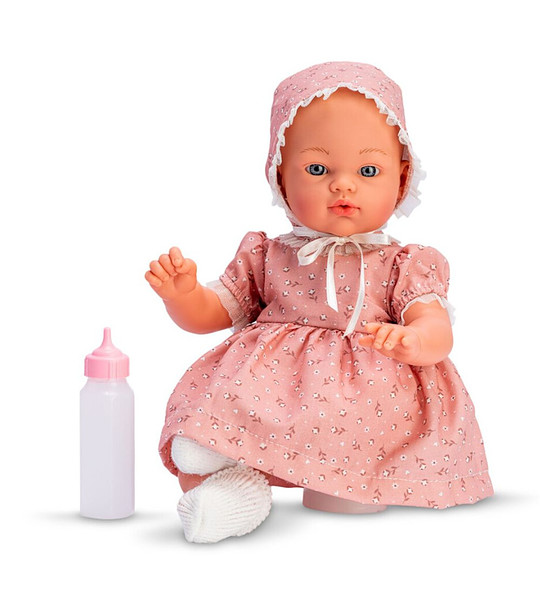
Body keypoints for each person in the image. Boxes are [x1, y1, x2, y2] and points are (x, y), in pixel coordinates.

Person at [145, 62, 493, 544]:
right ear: (280, 177)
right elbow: (212, 315)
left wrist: (414, 341)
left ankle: (343, 484)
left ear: (401, 178)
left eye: (368, 170)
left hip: (367, 404)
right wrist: (184, 296)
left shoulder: (406, 264)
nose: (343, 185)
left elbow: (434, 326)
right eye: (317, 169)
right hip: (268, 395)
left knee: (350, 484)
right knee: (201, 435)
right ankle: (230, 488)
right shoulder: (266, 255)